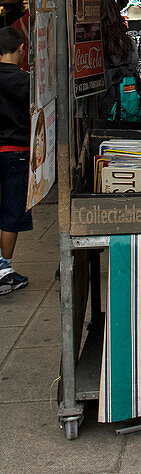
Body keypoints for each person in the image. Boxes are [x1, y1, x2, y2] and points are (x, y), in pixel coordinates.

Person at [0, 26, 32, 295]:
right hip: (16, 151)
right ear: (21, 48)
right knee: (11, 211)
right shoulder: (25, 82)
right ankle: (4, 267)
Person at [98, 0, 141, 121]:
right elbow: (134, 67)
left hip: (103, 108)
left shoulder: (93, 46)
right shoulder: (127, 42)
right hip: (128, 108)